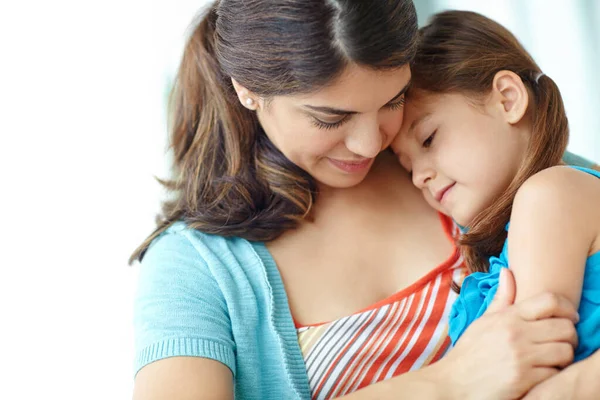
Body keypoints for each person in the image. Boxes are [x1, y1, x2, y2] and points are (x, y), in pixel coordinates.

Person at [131, 1, 599, 399]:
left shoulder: (478, 164)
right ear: (247, 90)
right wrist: (449, 383)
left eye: (393, 101)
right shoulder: (196, 267)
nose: (370, 144)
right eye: (331, 118)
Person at [392, 10, 600, 363]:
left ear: (507, 99)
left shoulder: (551, 194)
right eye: (407, 165)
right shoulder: (508, 240)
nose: (417, 177)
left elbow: (529, 374)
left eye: (428, 139)